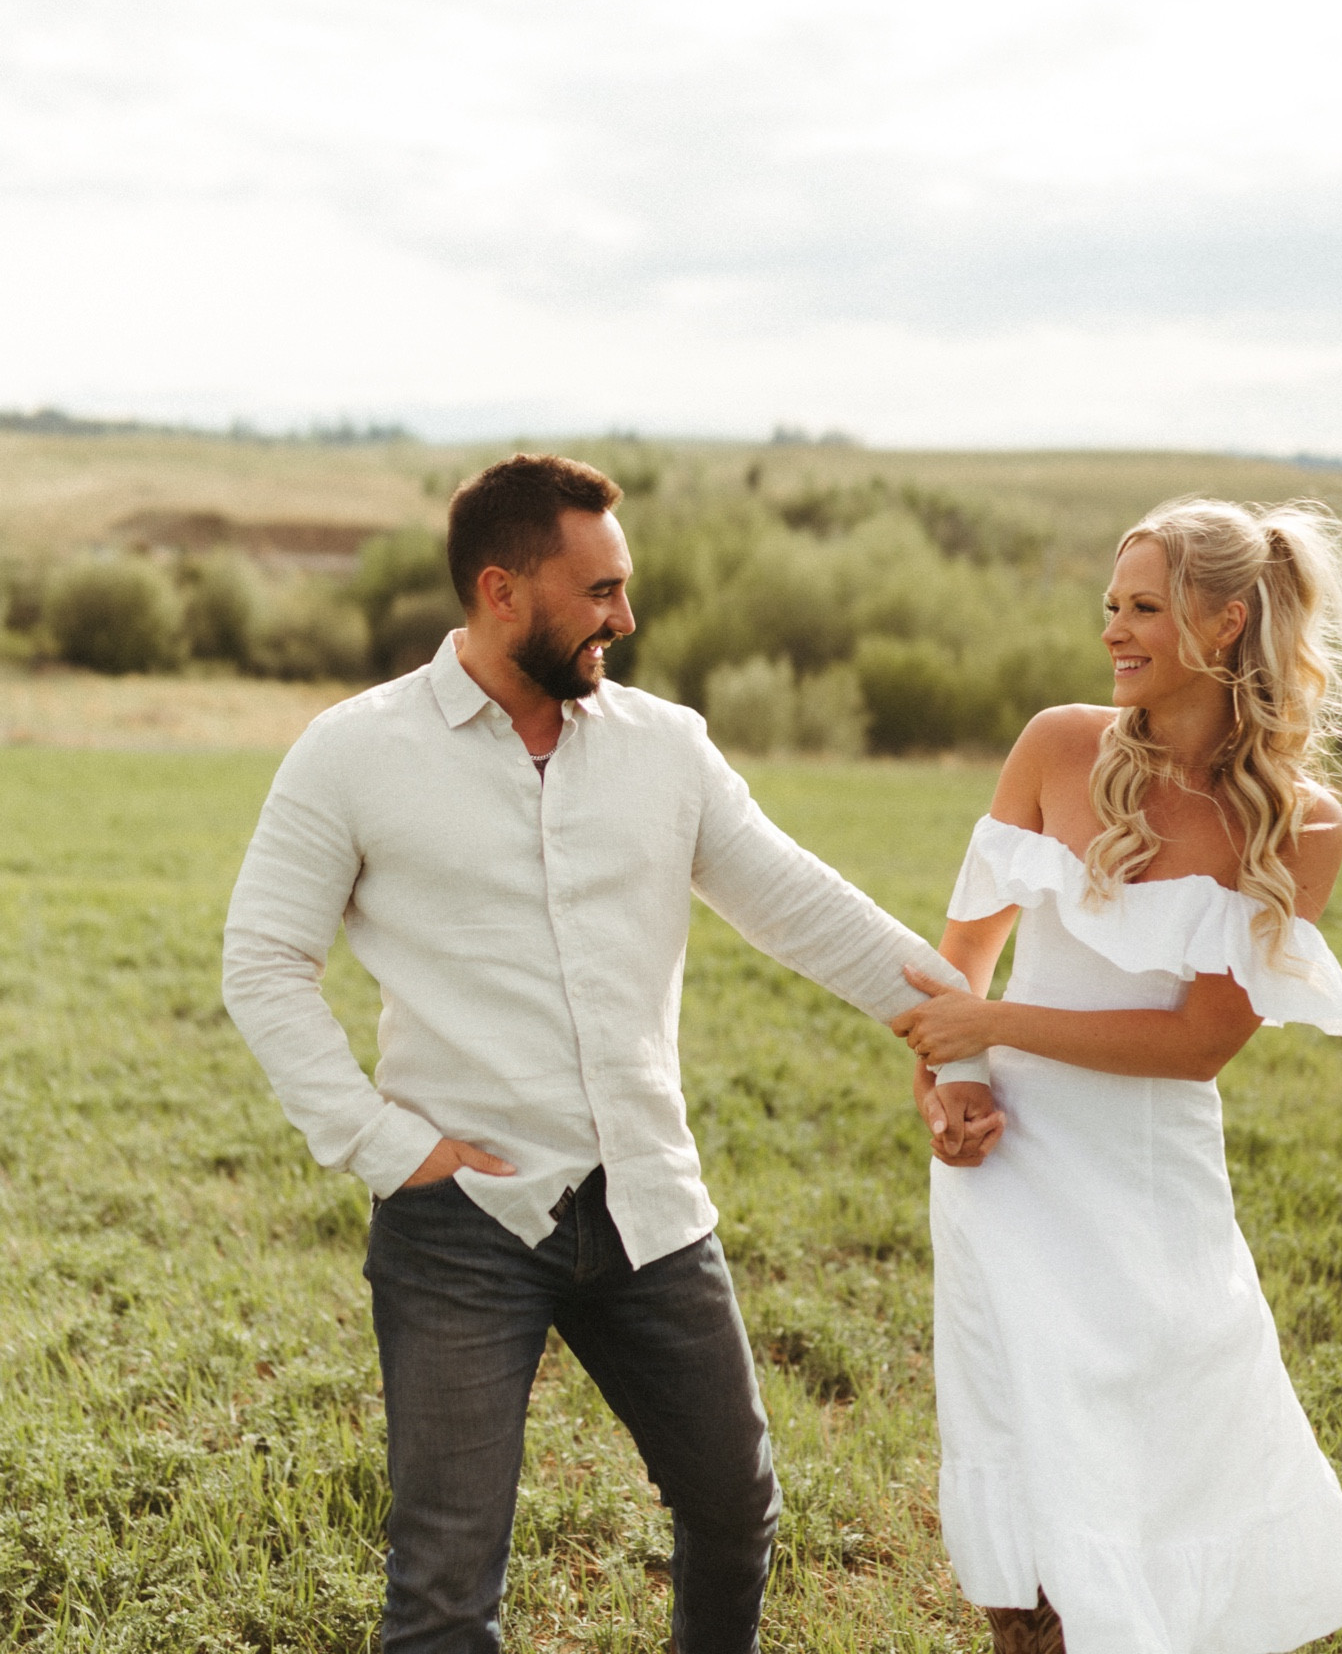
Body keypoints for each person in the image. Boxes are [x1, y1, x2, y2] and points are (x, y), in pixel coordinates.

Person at [222, 452, 1001, 1654]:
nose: (624, 618)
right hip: (462, 1218)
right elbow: (264, 960)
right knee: (442, 1588)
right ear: (501, 589)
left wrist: (956, 1028)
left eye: (622, 588)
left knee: (735, 1509)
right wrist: (386, 1145)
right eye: (597, 592)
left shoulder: (665, 747)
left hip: (647, 1198)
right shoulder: (352, 751)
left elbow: (802, 903)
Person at [891, 496, 1342, 1654]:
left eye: (1142, 609)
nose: (1114, 632)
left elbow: (1198, 1041)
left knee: (1172, 1439)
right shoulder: (1056, 745)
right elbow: (952, 963)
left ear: (1225, 623)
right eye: (1110, 607)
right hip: (1007, 1160)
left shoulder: (1298, 821)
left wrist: (994, 1018)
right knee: (1030, 1430)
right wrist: (953, 1084)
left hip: (1152, 1174)